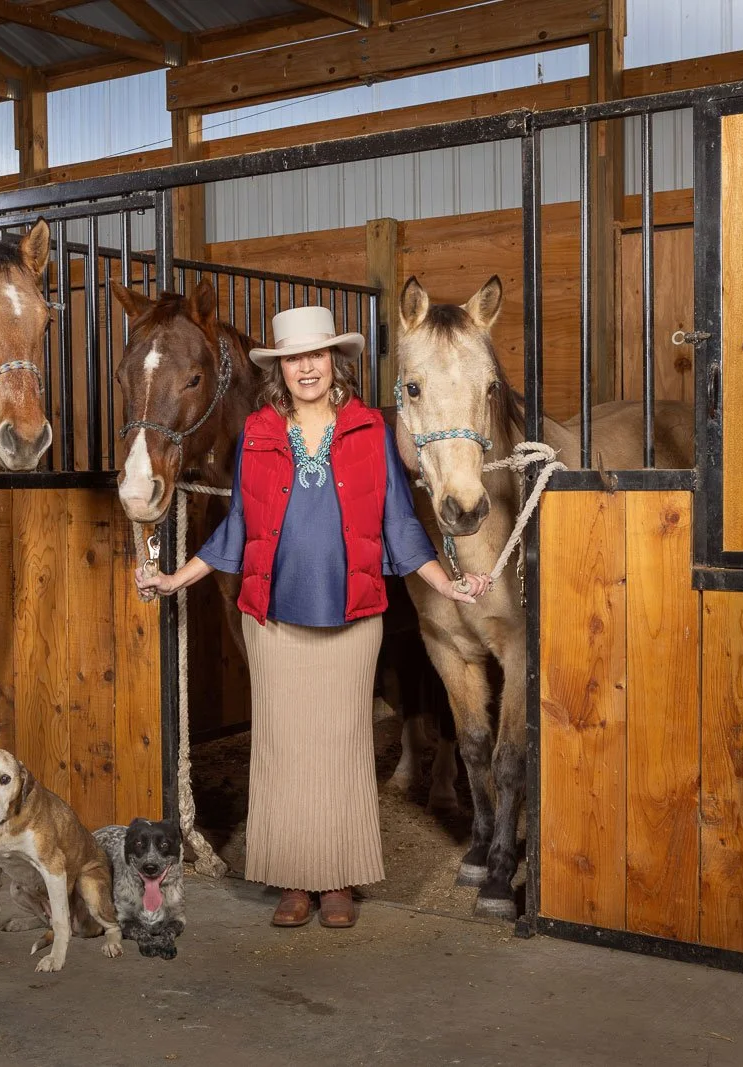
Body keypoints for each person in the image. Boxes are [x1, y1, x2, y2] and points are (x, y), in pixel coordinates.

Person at [135, 305, 490, 930]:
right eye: (294, 358)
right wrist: (175, 577)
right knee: (280, 749)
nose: (306, 368)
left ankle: (339, 882)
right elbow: (237, 532)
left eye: (316, 356)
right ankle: (293, 881)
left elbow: (401, 528)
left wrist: (451, 584)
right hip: (272, 619)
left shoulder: (369, 432)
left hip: (352, 618)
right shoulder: (259, 434)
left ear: (335, 362)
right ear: (281, 368)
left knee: (344, 748)